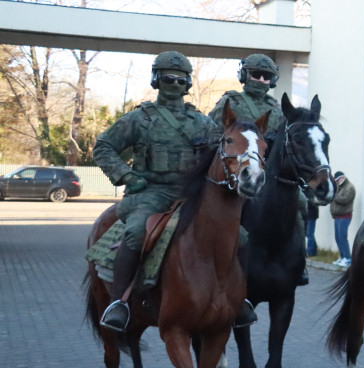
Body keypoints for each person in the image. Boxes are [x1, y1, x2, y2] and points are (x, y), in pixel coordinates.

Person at [92, 51, 221, 332]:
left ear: (188, 83)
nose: (174, 83)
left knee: (240, 234)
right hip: (150, 192)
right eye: (167, 77)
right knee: (138, 231)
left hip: (192, 195)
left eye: (180, 79)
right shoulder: (139, 119)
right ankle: (118, 304)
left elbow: (222, 155)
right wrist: (125, 175)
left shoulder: (204, 123)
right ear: (156, 80)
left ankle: (234, 297)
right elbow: (103, 147)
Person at [210, 53, 307, 293]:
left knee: (300, 206)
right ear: (244, 75)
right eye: (256, 74)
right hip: (236, 175)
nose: (261, 79)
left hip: (268, 177)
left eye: (267, 77)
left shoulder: (278, 109)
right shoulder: (230, 102)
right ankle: (219, 263)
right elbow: (213, 134)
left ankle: (298, 262)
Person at [329, 171, 355, 267]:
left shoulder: (350, 187)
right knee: (338, 237)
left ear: (342, 178)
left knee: (342, 237)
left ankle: (347, 258)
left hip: (345, 216)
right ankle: (342, 256)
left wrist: (334, 195)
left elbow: (345, 199)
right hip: (338, 216)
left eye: (338, 179)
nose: (337, 182)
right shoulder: (339, 187)